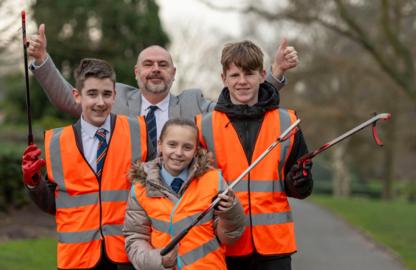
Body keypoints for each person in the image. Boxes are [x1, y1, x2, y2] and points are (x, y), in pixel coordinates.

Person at [27, 24, 298, 152]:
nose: (155, 69)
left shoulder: (193, 104)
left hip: (177, 213)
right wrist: (42, 60)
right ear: (136, 73)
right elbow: (68, 100)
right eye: (148, 64)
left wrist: (275, 74)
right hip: (126, 211)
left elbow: (242, 107)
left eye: (162, 64)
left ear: (173, 74)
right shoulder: (116, 98)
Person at [21, 58, 149, 269]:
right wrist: (34, 182)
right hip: (76, 258)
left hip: (126, 257)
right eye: (92, 94)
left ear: (115, 96)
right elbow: (54, 204)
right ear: (77, 95)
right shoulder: (57, 143)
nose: (100, 102)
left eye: (107, 94)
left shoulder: (138, 132)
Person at [195, 41, 313, 270]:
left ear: (262, 75)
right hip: (224, 243)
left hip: (274, 247)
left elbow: (302, 189)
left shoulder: (287, 123)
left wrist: (298, 181)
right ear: (224, 78)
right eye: (235, 75)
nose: (242, 81)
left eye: (249, 74)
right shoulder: (204, 126)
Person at [123, 118, 246, 270]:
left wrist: (231, 212)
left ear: (196, 150)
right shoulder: (141, 187)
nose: (178, 153)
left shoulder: (213, 180)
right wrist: (158, 260)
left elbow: (229, 237)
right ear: (160, 145)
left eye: (187, 147)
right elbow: (135, 238)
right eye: (172, 145)